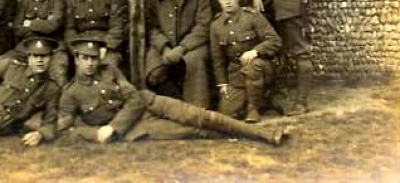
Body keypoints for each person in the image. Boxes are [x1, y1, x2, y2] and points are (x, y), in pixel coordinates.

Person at [57, 37, 287, 145]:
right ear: (76, 59)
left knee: (201, 116)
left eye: (93, 58)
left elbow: (135, 98)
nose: (89, 63)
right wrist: (96, 134)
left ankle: (266, 136)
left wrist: (111, 127)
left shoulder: (110, 70)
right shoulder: (71, 93)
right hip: (139, 127)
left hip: (150, 103)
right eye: (84, 58)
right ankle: (245, 137)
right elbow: (69, 127)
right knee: (193, 132)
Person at [144, 0, 212, 107]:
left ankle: (196, 109)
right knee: (154, 74)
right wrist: (164, 47)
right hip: (165, 45)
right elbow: (152, 27)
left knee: (195, 62)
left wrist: (182, 48)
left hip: (192, 46)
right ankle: (177, 106)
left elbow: (203, 26)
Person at [210, 0, 282, 123]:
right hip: (236, 72)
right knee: (226, 113)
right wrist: (223, 83)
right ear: (218, 0)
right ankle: (257, 101)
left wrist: (255, 51)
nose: (228, 2)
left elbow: (275, 41)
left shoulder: (252, 16)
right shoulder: (216, 25)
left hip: (262, 66)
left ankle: (252, 109)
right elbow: (217, 57)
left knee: (252, 65)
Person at [7, 0, 69, 87]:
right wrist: (43, 24)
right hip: (27, 47)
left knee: (58, 72)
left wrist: (29, 23)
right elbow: (17, 28)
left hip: (53, 47)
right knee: (3, 63)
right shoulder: (25, 1)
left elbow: (54, 25)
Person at [65, 0, 125, 68]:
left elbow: (117, 26)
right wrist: (77, 50)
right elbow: (69, 30)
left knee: (109, 65)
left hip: (105, 44)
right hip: (81, 44)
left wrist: (107, 46)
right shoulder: (71, 1)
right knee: (82, 68)